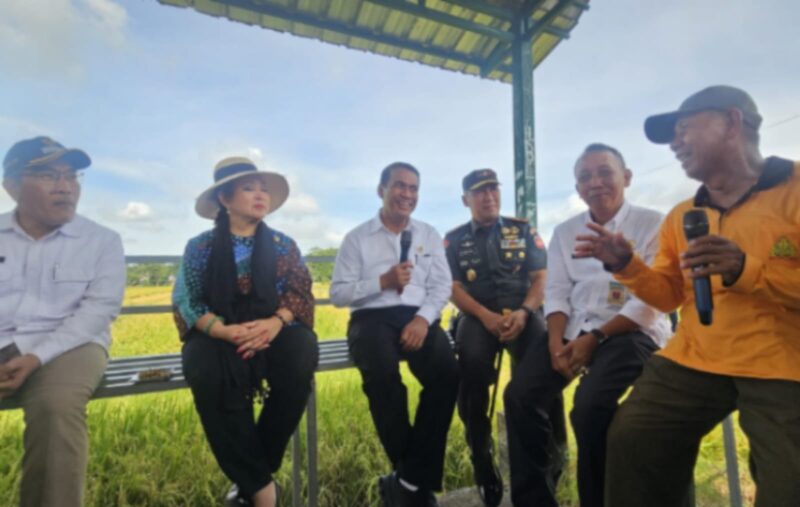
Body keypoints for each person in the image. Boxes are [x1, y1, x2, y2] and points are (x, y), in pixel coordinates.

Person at [574, 86, 800, 506]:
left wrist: (746, 270)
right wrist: (626, 265)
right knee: (634, 438)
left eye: (683, 129)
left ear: (732, 121)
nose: (675, 144)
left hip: (785, 364)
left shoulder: (794, 188)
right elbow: (667, 296)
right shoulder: (683, 215)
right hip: (696, 358)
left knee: (790, 484)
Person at [505, 144, 670, 507]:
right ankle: (534, 500)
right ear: (577, 189)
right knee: (520, 396)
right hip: (574, 326)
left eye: (604, 172)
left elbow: (651, 302)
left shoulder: (653, 224)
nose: (595, 183)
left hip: (629, 331)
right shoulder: (565, 232)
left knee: (590, 407)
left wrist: (595, 339)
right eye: (585, 177)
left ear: (626, 177)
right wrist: (553, 344)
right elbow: (559, 291)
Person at [173, 157, 318, 507]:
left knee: (302, 356)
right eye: (249, 188)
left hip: (273, 327)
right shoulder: (200, 247)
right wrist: (224, 331)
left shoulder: (283, 244)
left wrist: (275, 323)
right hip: (219, 332)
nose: (260, 196)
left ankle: (251, 480)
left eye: (263, 189)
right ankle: (264, 490)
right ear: (224, 199)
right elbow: (186, 298)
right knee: (205, 369)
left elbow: (300, 291)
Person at [0, 136, 126, 507]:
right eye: (48, 175)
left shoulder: (101, 240)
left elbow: (99, 309)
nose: (64, 186)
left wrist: (36, 357)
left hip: (72, 343)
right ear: (11, 186)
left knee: (55, 406)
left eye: (72, 176)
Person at [331, 161, 459, 507]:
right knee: (383, 377)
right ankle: (414, 482)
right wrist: (382, 282)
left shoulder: (429, 234)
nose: (407, 194)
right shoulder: (357, 238)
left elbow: (441, 286)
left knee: (447, 375)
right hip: (371, 317)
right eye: (399, 186)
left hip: (417, 315)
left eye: (413, 188)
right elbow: (338, 294)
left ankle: (406, 482)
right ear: (381, 190)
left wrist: (423, 319)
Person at [444, 169, 566, 507]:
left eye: (493, 190)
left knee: (544, 369)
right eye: (479, 192)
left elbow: (541, 277)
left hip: (524, 313)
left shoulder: (522, 230)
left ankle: (549, 455)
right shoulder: (453, 240)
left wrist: (525, 311)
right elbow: (453, 288)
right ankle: (482, 460)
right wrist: (486, 317)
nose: (489, 197)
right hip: (477, 316)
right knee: (470, 372)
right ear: (465, 200)